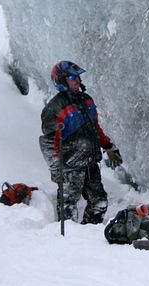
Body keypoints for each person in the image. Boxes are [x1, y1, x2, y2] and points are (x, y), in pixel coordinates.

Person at [39, 60, 123, 224]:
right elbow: (49, 143)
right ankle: (69, 241)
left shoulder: (87, 101)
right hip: (70, 166)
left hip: (90, 163)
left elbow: (95, 128)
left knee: (99, 202)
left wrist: (108, 145)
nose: (77, 80)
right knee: (68, 207)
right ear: (61, 81)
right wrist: (57, 168)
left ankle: (90, 233)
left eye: (77, 77)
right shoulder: (55, 108)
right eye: (72, 77)